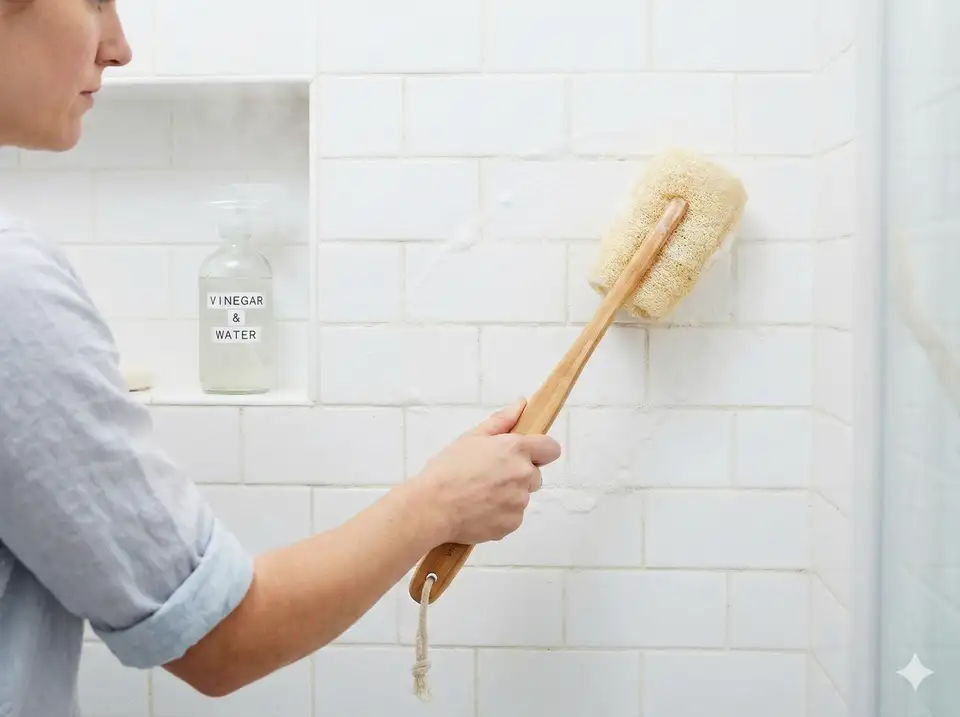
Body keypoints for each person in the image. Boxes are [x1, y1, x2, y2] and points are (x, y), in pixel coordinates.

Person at [0, 0, 562, 714]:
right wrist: (440, 503)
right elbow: (220, 640)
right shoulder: (10, 286)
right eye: (95, 1)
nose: (120, 46)